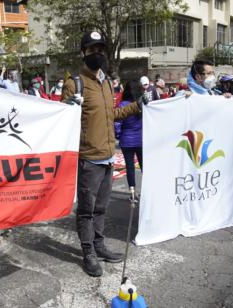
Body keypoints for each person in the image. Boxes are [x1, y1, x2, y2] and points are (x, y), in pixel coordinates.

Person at [62, 31, 143, 277]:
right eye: (92, 49)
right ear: (83, 52)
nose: (97, 53)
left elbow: (111, 115)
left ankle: (99, 246)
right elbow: (64, 120)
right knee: (86, 210)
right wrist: (68, 107)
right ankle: (88, 253)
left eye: (100, 49)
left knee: (101, 208)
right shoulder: (74, 83)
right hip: (88, 158)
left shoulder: (106, 82)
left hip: (108, 156)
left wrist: (136, 106)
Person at [115, 80, 143, 191]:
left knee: (129, 166)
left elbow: (117, 123)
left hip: (126, 140)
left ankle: (132, 191)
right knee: (144, 166)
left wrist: (119, 135)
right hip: (140, 139)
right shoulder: (142, 104)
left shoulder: (122, 105)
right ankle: (147, 191)